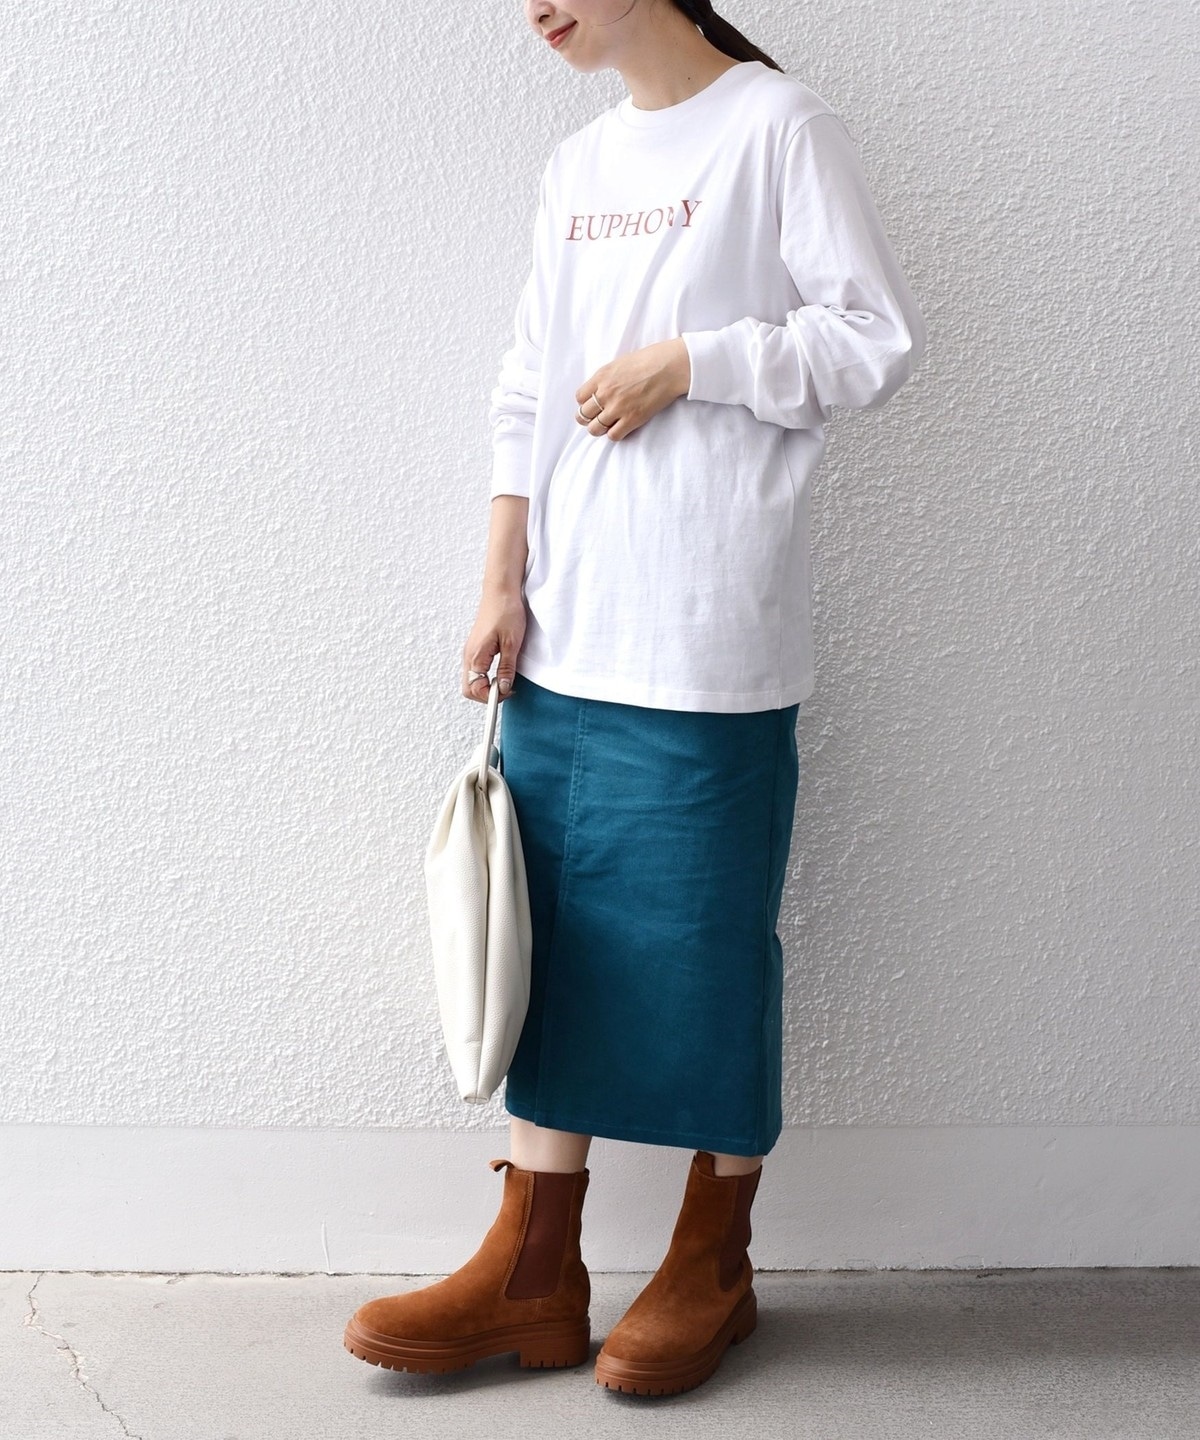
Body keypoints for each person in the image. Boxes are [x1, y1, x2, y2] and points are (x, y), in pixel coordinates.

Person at [344, 0, 926, 1397]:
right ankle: (534, 1269)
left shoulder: (780, 128)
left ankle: (714, 1262)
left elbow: (875, 341)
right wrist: (501, 580)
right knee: (557, 938)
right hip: (566, 625)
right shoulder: (580, 165)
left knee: (705, 941)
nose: (533, 8)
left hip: (708, 625)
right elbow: (527, 387)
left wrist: (695, 359)